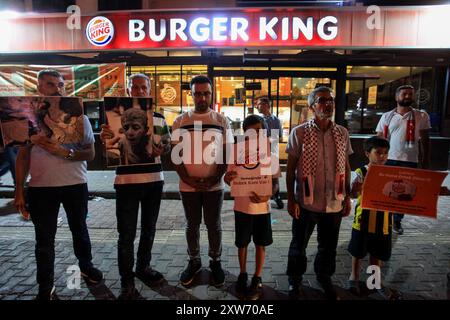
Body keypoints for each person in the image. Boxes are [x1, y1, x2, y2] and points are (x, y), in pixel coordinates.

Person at [14, 69, 103, 300]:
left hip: (75, 184)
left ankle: (86, 266)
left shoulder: (80, 118)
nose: (58, 89)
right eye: (51, 85)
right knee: (44, 240)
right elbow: (22, 157)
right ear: (39, 88)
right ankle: (46, 287)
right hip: (41, 188)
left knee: (80, 231)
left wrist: (65, 152)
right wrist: (19, 192)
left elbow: (91, 153)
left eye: (61, 85)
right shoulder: (30, 121)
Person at [100, 73, 170, 300]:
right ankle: (126, 280)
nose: (139, 91)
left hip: (153, 182)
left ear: (149, 89)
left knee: (149, 229)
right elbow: (108, 154)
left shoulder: (158, 118)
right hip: (127, 183)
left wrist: (163, 149)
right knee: (126, 233)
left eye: (143, 87)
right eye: (135, 87)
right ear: (128, 90)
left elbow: (167, 144)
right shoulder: (113, 122)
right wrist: (106, 141)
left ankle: (143, 267)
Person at [285, 86, 353, 300]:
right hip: (306, 202)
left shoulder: (342, 132)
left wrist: (348, 196)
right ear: (312, 106)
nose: (328, 104)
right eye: (322, 100)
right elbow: (291, 167)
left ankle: (324, 277)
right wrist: (290, 197)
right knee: (299, 246)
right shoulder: (300, 132)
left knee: (328, 247)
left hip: (334, 202)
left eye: (331, 100)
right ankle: (294, 281)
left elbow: (347, 166)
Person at [171, 75, 233, 288]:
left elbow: (226, 154)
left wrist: (214, 179)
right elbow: (175, 155)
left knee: (214, 225)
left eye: (206, 92)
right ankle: (194, 261)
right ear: (191, 94)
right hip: (187, 186)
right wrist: (188, 179)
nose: (202, 97)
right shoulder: (180, 121)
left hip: (214, 186)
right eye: (197, 93)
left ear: (211, 94)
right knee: (192, 225)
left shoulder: (221, 120)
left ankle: (215, 262)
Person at [224, 114, 280, 300]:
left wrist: (267, 195)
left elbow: (275, 184)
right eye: (250, 132)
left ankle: (257, 276)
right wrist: (227, 178)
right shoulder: (237, 154)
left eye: (258, 131)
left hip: (262, 209)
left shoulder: (270, 156)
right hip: (241, 207)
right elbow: (228, 178)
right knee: (242, 243)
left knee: (260, 243)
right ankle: (242, 273)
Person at [376, 85, 431, 235]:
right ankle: (385, 220)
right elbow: (380, 139)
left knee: (403, 194)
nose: (407, 96)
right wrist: (376, 161)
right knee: (387, 191)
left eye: (410, 94)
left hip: (410, 160)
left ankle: (397, 221)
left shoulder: (422, 116)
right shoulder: (387, 116)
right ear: (396, 97)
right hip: (389, 160)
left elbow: (426, 141)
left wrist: (425, 162)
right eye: (404, 94)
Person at [347, 136, 397, 299]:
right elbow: (353, 192)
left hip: (383, 221)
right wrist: (356, 189)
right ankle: (353, 278)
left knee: (377, 252)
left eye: (385, 153)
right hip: (363, 220)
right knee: (358, 251)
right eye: (378, 153)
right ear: (368, 153)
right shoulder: (361, 172)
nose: (382, 156)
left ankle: (374, 281)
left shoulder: (391, 173)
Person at [256, 96, 284, 209]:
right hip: (259, 154)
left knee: (274, 178)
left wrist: (266, 140)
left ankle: (276, 197)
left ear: (266, 105)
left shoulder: (275, 120)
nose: (257, 106)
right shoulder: (257, 119)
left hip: (272, 153)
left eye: (259, 104)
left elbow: (279, 138)